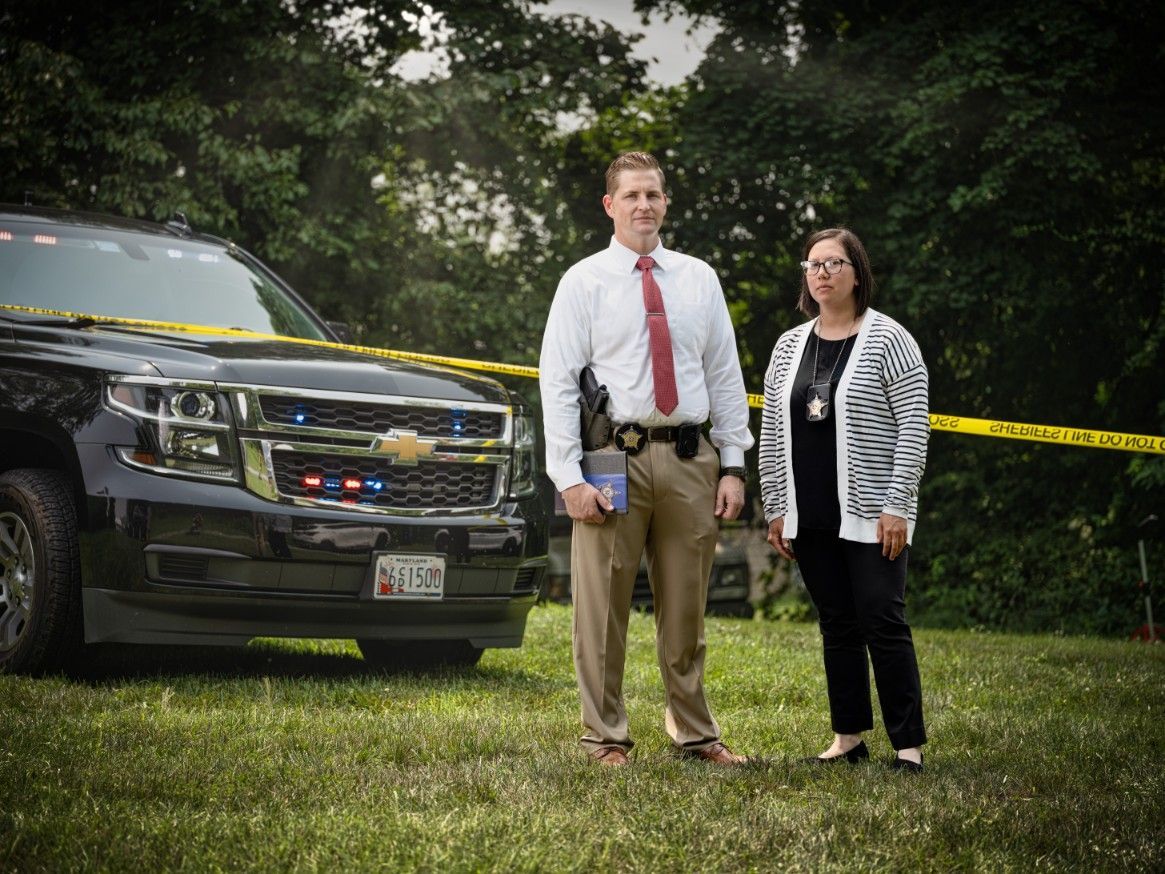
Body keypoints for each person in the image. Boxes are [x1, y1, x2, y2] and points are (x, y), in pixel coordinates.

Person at [539, 151, 755, 767]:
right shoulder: (582, 282)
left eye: (653, 195)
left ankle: (695, 734)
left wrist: (733, 464)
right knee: (601, 610)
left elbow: (723, 373)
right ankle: (605, 738)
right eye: (631, 195)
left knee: (686, 608)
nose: (643, 206)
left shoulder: (698, 279)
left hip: (691, 459)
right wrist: (569, 477)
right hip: (612, 458)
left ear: (666, 203)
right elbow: (557, 382)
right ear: (609, 205)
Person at [758, 227, 930, 772]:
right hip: (809, 515)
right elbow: (771, 430)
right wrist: (776, 504)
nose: (822, 273)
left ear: (857, 272)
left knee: (883, 619)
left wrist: (898, 504)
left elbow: (913, 428)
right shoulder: (789, 345)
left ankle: (908, 746)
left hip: (873, 513)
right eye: (812, 264)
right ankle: (849, 738)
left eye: (834, 263)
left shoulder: (889, 339)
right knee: (837, 623)